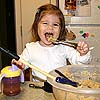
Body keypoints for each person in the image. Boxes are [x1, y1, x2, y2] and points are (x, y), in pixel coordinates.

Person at [12, 4, 92, 92]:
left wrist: (82, 54)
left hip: (60, 89)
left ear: (61, 29)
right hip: (40, 90)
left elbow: (79, 62)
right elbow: (21, 64)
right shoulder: (30, 49)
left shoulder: (64, 47)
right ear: (36, 26)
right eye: (45, 23)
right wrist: (18, 65)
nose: (50, 27)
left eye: (55, 24)